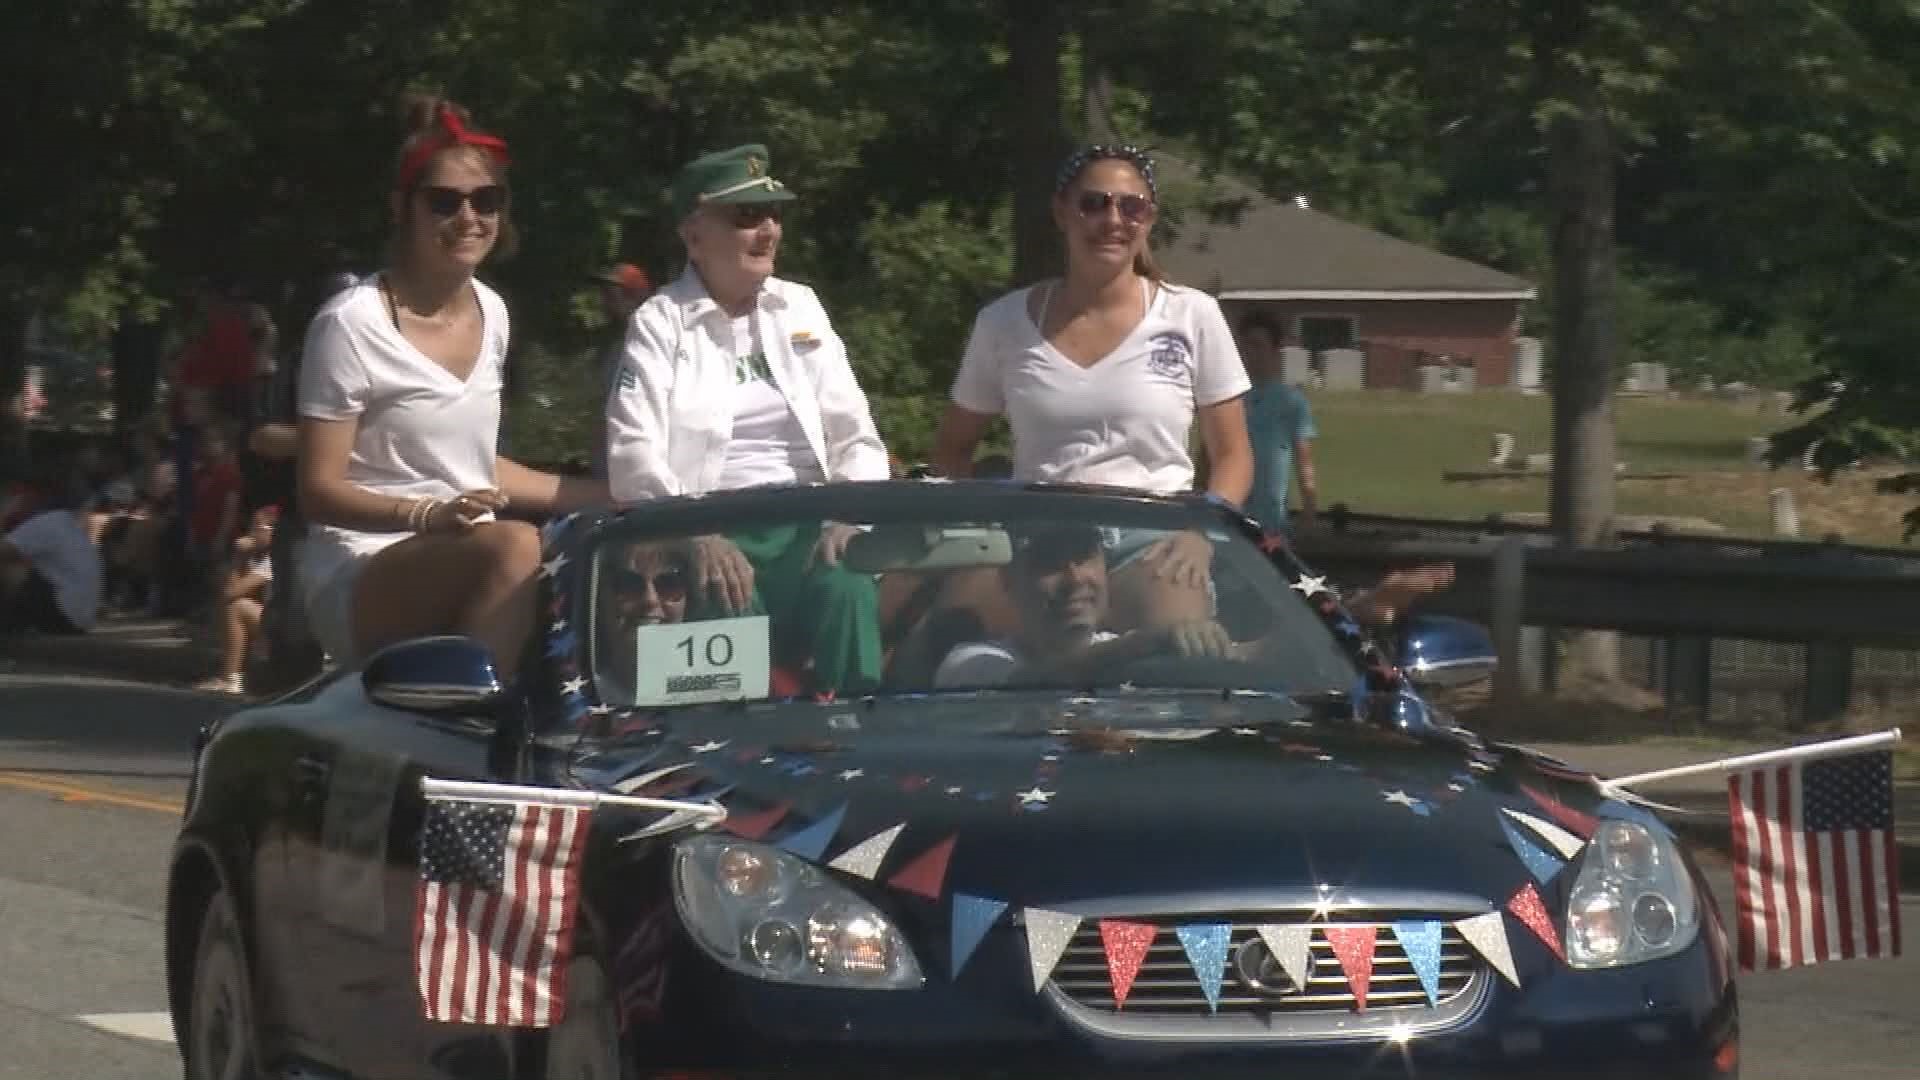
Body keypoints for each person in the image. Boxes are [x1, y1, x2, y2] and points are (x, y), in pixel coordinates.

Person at [296, 96, 605, 677]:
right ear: (401, 209)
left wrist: (612, 496)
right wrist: (427, 515)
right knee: (518, 546)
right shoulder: (350, 322)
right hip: (366, 562)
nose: (469, 218)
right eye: (444, 202)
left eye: (487, 200)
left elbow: (472, 469)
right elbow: (318, 490)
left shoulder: (494, 310)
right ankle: (463, 735)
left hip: (471, 551)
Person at [604, 143, 890, 695]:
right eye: (746, 216)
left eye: (775, 215)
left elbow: (855, 434)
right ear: (694, 236)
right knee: (717, 587)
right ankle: (718, 754)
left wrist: (850, 517)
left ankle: (859, 740)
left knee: (849, 585)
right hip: (711, 526)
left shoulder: (802, 306)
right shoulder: (659, 323)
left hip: (809, 524)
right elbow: (631, 454)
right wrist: (694, 531)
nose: (768, 231)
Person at [930, 144, 1254, 631]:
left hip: (1154, 539)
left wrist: (1200, 534)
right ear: (1062, 212)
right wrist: (984, 535)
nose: (1113, 219)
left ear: (1149, 219)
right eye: (1094, 203)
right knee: (950, 635)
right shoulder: (1002, 322)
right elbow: (953, 448)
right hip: (1038, 542)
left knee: (1177, 643)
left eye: (1132, 206)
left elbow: (1233, 455)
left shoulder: (1192, 315)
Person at [932, 522, 1233, 689]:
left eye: (1085, 557)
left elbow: (1240, 657)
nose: (1074, 578)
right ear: (1009, 581)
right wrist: (1151, 642)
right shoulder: (970, 664)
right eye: (1050, 562)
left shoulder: (1133, 651)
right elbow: (1034, 683)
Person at [1237, 311, 1319, 535]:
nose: (1250, 354)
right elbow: (1208, 455)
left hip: (1271, 523)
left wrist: (1309, 509)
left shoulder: (1291, 402)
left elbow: (1304, 460)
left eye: (1258, 346)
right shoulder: (1230, 399)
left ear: (1274, 351)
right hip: (1231, 517)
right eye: (1245, 347)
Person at [0, 458, 102, 638]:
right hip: (79, 617)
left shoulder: (46, 523)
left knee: (7, 569)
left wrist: (4, 515)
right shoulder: (65, 521)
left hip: (62, 614)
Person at [192, 506, 277, 696]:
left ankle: (230, 678)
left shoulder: (275, 557)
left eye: (257, 528)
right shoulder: (265, 557)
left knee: (236, 607)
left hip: (288, 630)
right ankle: (239, 672)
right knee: (234, 606)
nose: (250, 534)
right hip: (282, 625)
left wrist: (239, 557)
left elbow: (230, 594)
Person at [589, 262, 655, 477]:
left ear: (633, 296)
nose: (604, 300)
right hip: (606, 466)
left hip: (636, 470)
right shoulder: (616, 343)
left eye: (612, 293)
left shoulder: (652, 343)